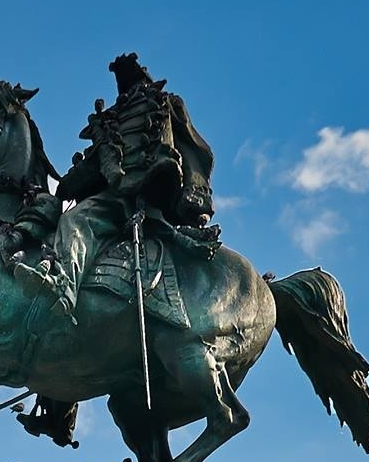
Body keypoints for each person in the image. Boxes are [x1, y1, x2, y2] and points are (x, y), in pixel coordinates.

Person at [12, 53, 217, 323]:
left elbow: (194, 151)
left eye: (134, 81)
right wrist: (70, 182)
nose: (130, 90)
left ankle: (64, 288)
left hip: (137, 202)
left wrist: (192, 195)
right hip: (114, 194)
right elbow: (81, 178)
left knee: (77, 220)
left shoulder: (163, 109)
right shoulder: (108, 130)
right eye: (125, 85)